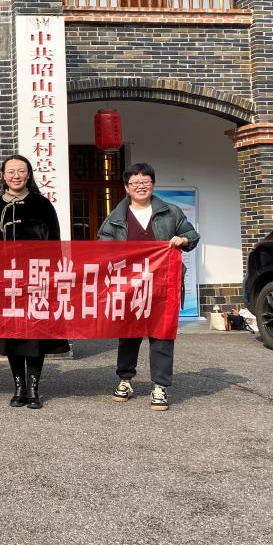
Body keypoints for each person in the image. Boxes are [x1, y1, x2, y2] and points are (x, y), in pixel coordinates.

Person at [97, 162, 200, 411]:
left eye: (145, 182)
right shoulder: (116, 216)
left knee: (162, 335)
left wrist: (182, 238)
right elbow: (102, 243)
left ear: (152, 184)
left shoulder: (170, 212)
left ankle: (160, 386)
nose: (140, 187)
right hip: (130, 285)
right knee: (128, 335)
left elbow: (192, 235)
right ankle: (125, 379)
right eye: (135, 183)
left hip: (164, 285)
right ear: (126, 187)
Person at [0, 155, 69, 409]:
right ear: (3, 176)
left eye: (21, 171)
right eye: (11, 171)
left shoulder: (42, 205)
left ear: (29, 174)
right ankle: (18, 385)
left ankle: (33, 387)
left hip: (36, 278)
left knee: (35, 334)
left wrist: (51, 275)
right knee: (10, 334)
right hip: (5, 281)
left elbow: (54, 243)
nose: (16, 176)